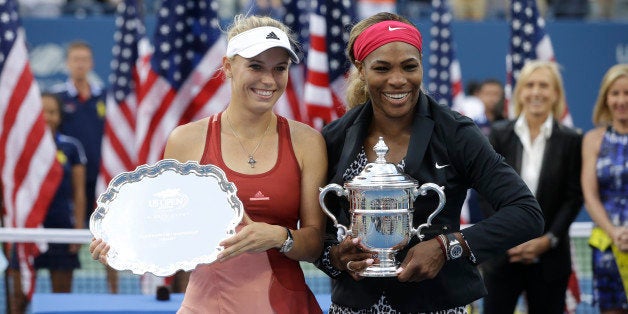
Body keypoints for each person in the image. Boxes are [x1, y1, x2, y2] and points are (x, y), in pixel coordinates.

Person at [90, 15, 327, 313]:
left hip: (284, 304)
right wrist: (123, 245)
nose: (269, 80)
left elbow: (316, 242)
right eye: (255, 66)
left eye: (280, 68)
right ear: (228, 67)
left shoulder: (307, 142)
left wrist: (279, 236)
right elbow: (164, 228)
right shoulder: (185, 140)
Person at [315, 12, 544, 313]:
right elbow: (315, 233)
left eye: (409, 67)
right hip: (353, 307)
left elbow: (527, 213)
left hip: (438, 305)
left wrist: (447, 246)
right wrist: (336, 256)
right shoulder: (335, 137)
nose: (398, 80)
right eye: (382, 68)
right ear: (361, 69)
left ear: (421, 63)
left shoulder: (455, 132)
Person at [481, 60, 583, 314]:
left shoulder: (571, 140)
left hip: (550, 259)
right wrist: (507, 236)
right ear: (520, 93)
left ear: (556, 94)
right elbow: (485, 190)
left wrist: (546, 241)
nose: (536, 92)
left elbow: (573, 198)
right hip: (503, 256)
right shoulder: (498, 134)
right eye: (530, 85)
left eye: (544, 85)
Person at [48, 40, 116, 293]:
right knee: (70, 244)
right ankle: (65, 301)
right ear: (67, 63)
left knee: (109, 239)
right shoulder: (57, 97)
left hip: (103, 183)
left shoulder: (104, 96)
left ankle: (115, 293)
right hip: (70, 184)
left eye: (84, 59)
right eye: (75, 59)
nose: (80, 64)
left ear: (91, 63)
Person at [581, 63, 628, 314]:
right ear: (605, 98)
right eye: (615, 93)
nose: (621, 100)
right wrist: (614, 232)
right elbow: (590, 195)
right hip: (608, 244)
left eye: (627, 93)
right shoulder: (593, 139)